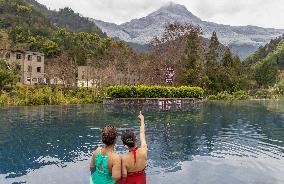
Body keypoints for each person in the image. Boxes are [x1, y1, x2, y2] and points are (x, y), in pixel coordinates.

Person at [120, 111, 147, 184]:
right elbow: (142, 132)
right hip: (142, 180)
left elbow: (124, 176)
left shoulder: (124, 159)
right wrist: (142, 119)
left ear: (124, 144)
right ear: (135, 139)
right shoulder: (144, 150)